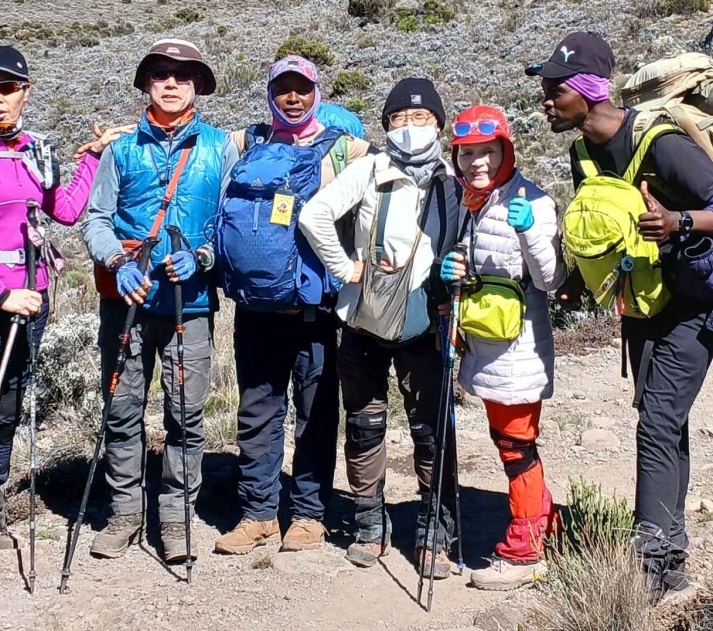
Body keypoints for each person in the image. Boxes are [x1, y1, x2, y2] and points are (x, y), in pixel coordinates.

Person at [530, 33, 713, 598]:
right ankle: (672, 559)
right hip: (641, 301)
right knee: (664, 421)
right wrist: (577, 280)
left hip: (692, 302)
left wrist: (679, 223)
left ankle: (649, 560)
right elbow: (611, 227)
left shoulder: (663, 143)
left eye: (555, 91)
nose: (547, 102)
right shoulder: (582, 152)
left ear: (586, 89)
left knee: (655, 422)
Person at [298, 79, 460, 577]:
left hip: (428, 322)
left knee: (431, 428)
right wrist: (345, 266)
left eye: (421, 118)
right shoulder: (368, 169)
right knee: (365, 425)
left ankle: (436, 529)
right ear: (387, 124)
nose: (411, 128)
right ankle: (371, 523)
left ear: (439, 123)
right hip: (364, 319)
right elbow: (314, 214)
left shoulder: (453, 177)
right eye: (399, 119)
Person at [80, 39, 233, 564]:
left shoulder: (219, 147)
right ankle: (124, 512)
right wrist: (118, 265)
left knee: (186, 414)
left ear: (197, 87)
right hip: (126, 300)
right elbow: (96, 219)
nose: (172, 83)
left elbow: (225, 222)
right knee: (122, 410)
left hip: (189, 306)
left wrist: (205, 256)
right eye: (161, 74)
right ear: (147, 83)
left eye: (183, 76)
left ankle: (174, 517)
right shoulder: (121, 150)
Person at [212, 56, 371, 556]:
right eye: (283, 89)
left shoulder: (346, 148)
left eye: (302, 88)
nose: (293, 98)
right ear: (270, 94)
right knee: (257, 413)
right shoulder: (247, 142)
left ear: (317, 92)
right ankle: (257, 513)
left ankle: (308, 514)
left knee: (316, 414)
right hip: (255, 308)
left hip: (315, 311)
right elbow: (192, 135)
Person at [0, 46, 119, 563]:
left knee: (6, 407)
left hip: (30, 301)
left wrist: (93, 158)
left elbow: (67, 208)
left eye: (5, 89)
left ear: (25, 92)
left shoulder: (37, 149)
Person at [437, 106, 562, 590]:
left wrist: (531, 228)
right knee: (509, 441)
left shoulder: (533, 200)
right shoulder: (474, 200)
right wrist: (457, 269)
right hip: (486, 343)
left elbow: (550, 278)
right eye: (467, 153)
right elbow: (482, 261)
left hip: (519, 347)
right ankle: (541, 520)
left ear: (506, 150)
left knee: (515, 446)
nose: (477, 163)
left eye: (487, 152)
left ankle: (525, 550)